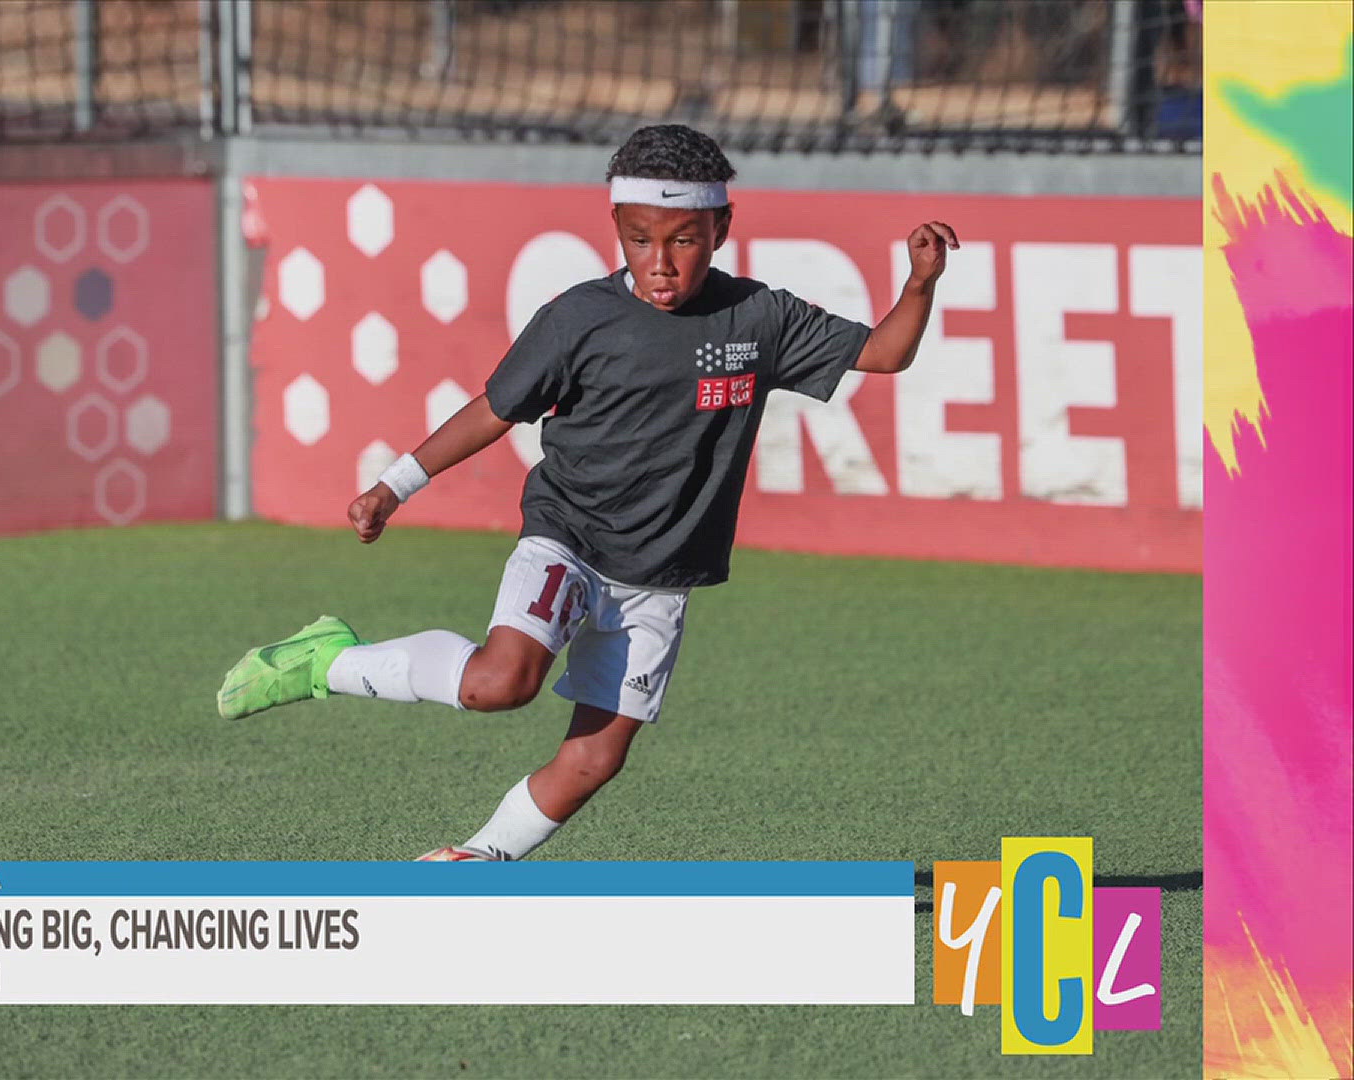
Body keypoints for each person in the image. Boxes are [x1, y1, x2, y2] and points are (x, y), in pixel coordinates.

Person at [217, 123, 958, 861]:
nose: (660, 263)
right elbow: (494, 408)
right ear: (616, 228)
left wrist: (919, 283)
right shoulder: (579, 317)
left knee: (595, 760)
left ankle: (476, 861)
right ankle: (326, 661)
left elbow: (885, 352)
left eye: (684, 240)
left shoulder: (759, 318)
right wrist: (395, 485)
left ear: (722, 228)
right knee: (501, 683)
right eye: (640, 239)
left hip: (661, 579)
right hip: (568, 536)